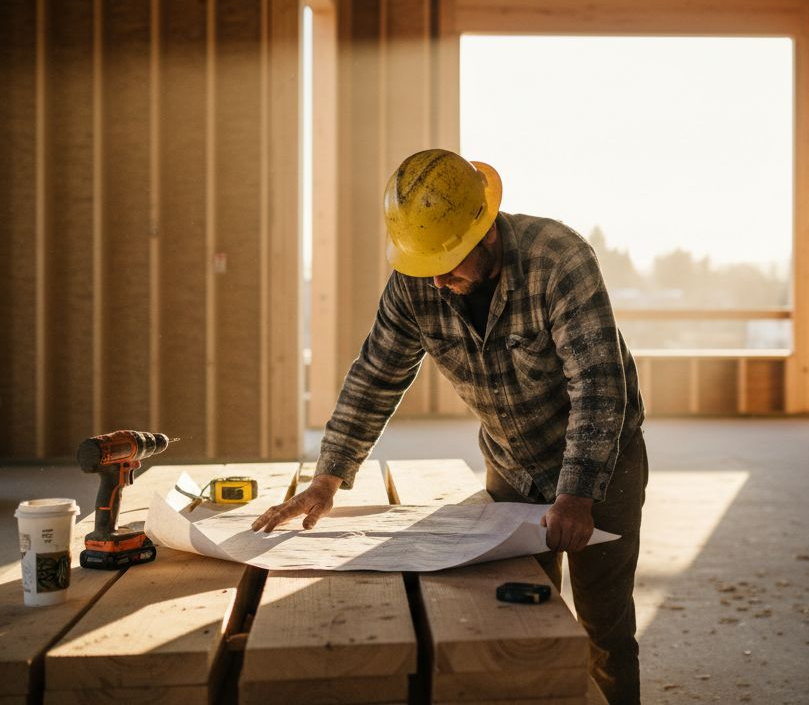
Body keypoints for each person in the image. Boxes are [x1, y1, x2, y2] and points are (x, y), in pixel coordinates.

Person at [251, 148, 648, 704]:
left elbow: (599, 385)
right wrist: (328, 479)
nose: (436, 279)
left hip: (603, 462)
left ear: (485, 232)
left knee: (602, 625)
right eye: (424, 264)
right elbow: (375, 376)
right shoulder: (417, 280)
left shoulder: (558, 259)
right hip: (511, 462)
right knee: (517, 614)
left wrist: (578, 495)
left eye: (449, 261)